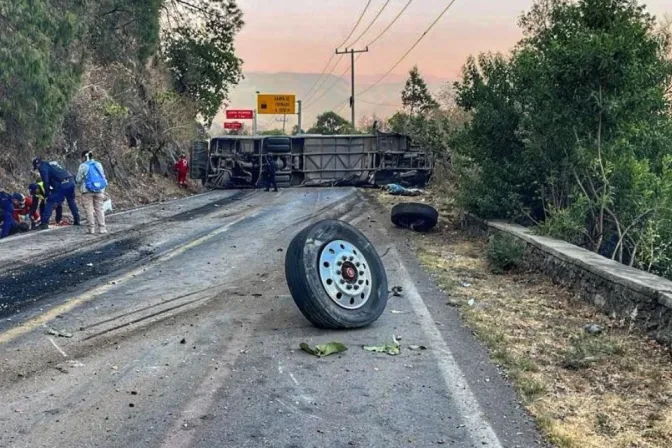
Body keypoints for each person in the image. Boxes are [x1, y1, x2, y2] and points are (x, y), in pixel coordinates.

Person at [32, 157, 81, 230]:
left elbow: (46, 182)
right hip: (71, 181)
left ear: (38, 165)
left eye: (37, 168)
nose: (38, 170)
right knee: (71, 200)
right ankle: (77, 219)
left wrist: (47, 194)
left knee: (50, 201)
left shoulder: (43, 167)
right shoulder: (52, 163)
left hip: (62, 184)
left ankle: (44, 223)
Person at [76, 150, 108, 234]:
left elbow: (78, 179)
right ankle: (102, 228)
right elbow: (102, 176)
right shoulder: (98, 164)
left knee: (89, 210)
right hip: (100, 190)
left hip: (87, 191)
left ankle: (91, 229)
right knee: (100, 209)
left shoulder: (83, 166)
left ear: (83, 157)